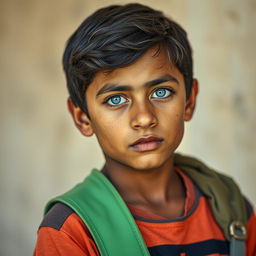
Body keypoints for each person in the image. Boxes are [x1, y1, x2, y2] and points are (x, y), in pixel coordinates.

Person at [33, 3, 256, 256]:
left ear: (189, 101)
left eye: (161, 92)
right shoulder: (72, 231)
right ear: (83, 118)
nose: (144, 118)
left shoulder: (229, 206)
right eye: (116, 99)